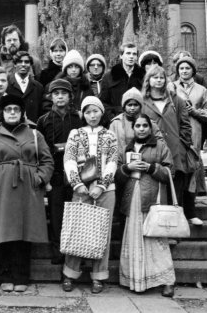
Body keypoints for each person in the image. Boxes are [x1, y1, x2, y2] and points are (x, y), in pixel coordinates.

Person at [0, 95, 54, 293]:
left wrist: (39, 178)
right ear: (2, 113)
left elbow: (47, 161)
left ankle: (21, 276)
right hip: (0, 190)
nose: (12, 113)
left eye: (16, 109)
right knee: (3, 232)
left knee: (24, 232)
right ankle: (5, 275)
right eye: (8, 109)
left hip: (27, 189)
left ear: (22, 113)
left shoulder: (34, 134)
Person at [61, 96, 118, 294]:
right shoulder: (75, 134)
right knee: (76, 228)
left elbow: (113, 162)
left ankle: (98, 276)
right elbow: (69, 159)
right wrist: (76, 183)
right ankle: (70, 274)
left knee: (102, 231)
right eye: (87, 112)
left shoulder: (110, 135)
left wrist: (102, 186)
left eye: (95, 111)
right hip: (81, 190)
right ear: (83, 114)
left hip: (105, 191)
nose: (92, 115)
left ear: (101, 112)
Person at [117, 114, 176, 297]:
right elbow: (116, 175)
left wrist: (151, 168)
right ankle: (136, 280)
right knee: (134, 238)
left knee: (156, 242)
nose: (141, 129)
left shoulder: (160, 146)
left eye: (145, 125)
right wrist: (127, 168)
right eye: (138, 126)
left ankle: (167, 281)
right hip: (131, 199)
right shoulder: (126, 148)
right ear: (133, 128)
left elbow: (170, 172)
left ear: (150, 128)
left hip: (152, 199)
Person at [141, 66, 196, 225]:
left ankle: (175, 227)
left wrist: (182, 145)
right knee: (153, 189)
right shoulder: (142, 101)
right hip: (152, 151)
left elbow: (185, 125)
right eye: (155, 77)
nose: (159, 80)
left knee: (175, 191)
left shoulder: (176, 100)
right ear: (148, 80)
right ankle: (153, 226)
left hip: (175, 152)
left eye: (162, 77)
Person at [36, 79, 82, 265]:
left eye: (64, 93)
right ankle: (58, 252)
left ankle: (75, 253)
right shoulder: (43, 120)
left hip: (77, 174)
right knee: (56, 214)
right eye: (56, 94)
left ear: (70, 96)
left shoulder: (79, 118)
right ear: (51, 97)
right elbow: (39, 150)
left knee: (76, 213)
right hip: (54, 173)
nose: (60, 97)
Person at [171, 56, 207, 223]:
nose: (184, 71)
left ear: (193, 71)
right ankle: (174, 207)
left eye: (187, 68)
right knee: (176, 168)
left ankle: (190, 210)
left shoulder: (201, 90)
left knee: (192, 168)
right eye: (181, 68)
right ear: (177, 71)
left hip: (194, 133)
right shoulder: (171, 87)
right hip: (175, 131)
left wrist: (195, 111)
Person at [109, 88, 164, 155]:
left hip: (145, 159)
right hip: (121, 159)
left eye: (135, 105)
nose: (132, 108)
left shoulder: (149, 122)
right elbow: (110, 145)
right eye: (129, 105)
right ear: (124, 106)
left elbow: (161, 143)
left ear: (140, 106)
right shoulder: (116, 123)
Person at [99, 42, 145, 121]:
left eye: (134, 54)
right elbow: (103, 102)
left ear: (137, 57)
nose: (131, 56)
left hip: (139, 121)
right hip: (115, 120)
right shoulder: (109, 76)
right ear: (121, 56)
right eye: (128, 53)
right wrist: (113, 118)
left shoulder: (143, 76)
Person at [5, 51, 44, 123]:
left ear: (30, 65)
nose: (23, 64)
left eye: (26, 62)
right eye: (20, 62)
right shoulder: (7, 84)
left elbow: (40, 113)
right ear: (15, 64)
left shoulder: (38, 87)